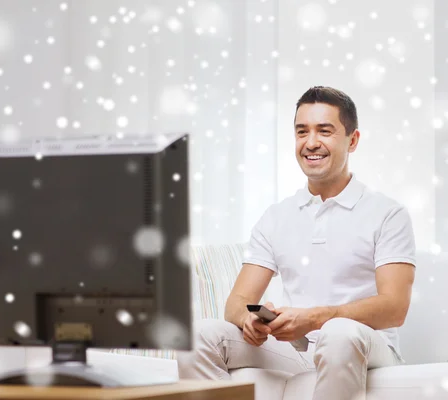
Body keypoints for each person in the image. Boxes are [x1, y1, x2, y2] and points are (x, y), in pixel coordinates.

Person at [178, 86, 416, 400]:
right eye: (302, 131)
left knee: (339, 331)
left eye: (325, 131)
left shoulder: (387, 213)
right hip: (300, 352)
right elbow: (236, 302)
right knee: (198, 336)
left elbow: (394, 308)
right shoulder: (277, 217)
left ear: (353, 140)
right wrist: (249, 319)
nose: (311, 142)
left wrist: (315, 318)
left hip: (369, 347)